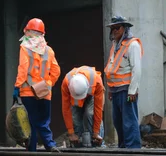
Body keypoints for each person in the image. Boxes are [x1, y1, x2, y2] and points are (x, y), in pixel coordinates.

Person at [13, 18, 61, 152]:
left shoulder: (25, 48)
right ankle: (50, 145)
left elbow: (23, 69)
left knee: (31, 123)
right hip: (45, 92)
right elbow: (56, 71)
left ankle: (32, 150)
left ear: (29, 32)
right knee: (44, 121)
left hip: (28, 92)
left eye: (27, 31)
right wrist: (48, 84)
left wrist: (17, 86)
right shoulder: (49, 50)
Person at [104, 15, 143, 148]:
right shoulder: (116, 45)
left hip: (126, 89)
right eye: (112, 28)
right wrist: (110, 88)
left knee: (129, 120)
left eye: (117, 28)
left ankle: (133, 148)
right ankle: (123, 147)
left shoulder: (133, 45)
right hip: (116, 89)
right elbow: (112, 67)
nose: (114, 31)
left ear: (125, 29)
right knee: (118, 121)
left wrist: (132, 91)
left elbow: (136, 69)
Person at [61, 66, 105, 147]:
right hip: (74, 95)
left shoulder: (97, 81)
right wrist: (71, 133)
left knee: (89, 114)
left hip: (92, 93)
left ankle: (98, 143)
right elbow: (66, 109)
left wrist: (96, 132)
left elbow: (98, 109)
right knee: (75, 117)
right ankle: (78, 143)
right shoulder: (66, 83)